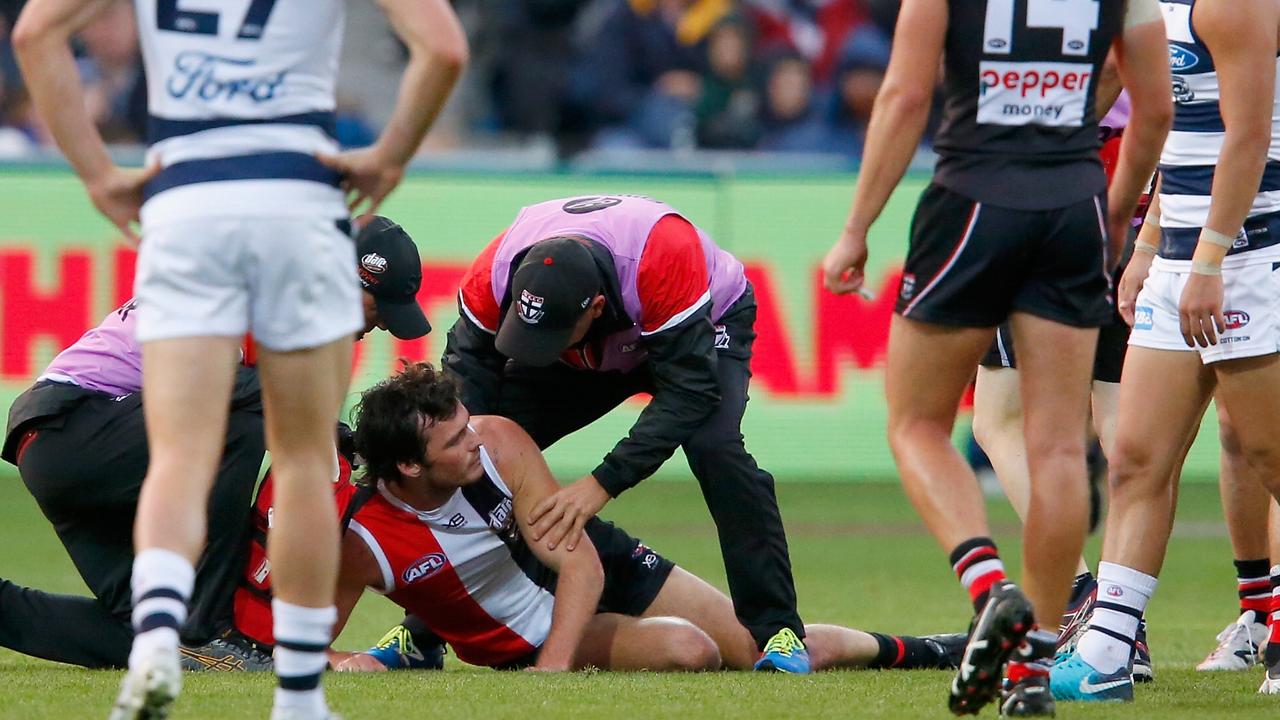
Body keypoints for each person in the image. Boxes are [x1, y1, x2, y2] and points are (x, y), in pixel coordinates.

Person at [12, 0, 465, 717]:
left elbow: (34, 32)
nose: (368, 330)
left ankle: (166, 635)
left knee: (140, 612)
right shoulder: (302, 278)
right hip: (96, 413)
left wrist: (98, 174)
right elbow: (444, 49)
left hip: (165, 243)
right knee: (286, 442)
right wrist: (388, 156)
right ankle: (277, 680)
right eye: (373, 311)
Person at [820, 0, 1170, 714]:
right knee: (1059, 451)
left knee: (916, 423)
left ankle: (988, 588)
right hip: (1073, 204)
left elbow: (905, 95)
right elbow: (1155, 110)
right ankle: (1034, 667)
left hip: (973, 199)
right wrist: (1109, 215)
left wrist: (856, 227)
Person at [321, 361, 965, 673]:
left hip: (589, 567)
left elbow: (577, 560)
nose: (474, 442)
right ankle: (411, 643)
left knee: (762, 648)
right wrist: (358, 663)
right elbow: (312, 642)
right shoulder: (363, 537)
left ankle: (927, 650)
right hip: (532, 629)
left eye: (468, 427)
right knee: (692, 651)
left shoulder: (499, 441)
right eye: (454, 441)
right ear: (408, 468)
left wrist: (552, 675)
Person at [0, 216, 434, 671]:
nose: (381, 325)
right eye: (378, 307)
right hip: (72, 426)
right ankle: (214, 628)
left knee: (156, 633)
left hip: (64, 445)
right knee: (245, 414)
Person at [442, 194, 809, 672]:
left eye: (548, 337)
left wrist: (601, 484)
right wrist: (466, 449)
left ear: (595, 309)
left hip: (701, 329)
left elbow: (690, 392)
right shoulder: (494, 270)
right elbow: (467, 374)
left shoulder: (663, 254)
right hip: (595, 350)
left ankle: (777, 630)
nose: (534, 350)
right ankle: (425, 628)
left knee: (714, 449)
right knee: (470, 452)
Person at [1052, 0, 1280, 701]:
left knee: (1273, 457)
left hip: (1252, 252)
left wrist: (1210, 259)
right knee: (1135, 460)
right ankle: (1107, 650)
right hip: (1181, 255)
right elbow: (1180, 133)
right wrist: (1149, 246)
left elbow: (1247, 137)